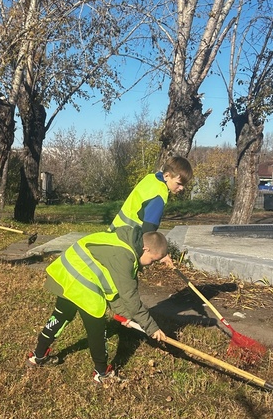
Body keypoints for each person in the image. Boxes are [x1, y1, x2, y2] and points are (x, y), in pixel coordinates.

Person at [27, 227, 169, 383]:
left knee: (61, 316)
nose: (151, 264)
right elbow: (130, 298)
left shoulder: (124, 239)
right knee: (97, 329)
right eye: (153, 260)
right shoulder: (124, 258)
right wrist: (152, 327)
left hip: (67, 274)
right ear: (145, 248)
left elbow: (111, 288)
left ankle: (38, 356)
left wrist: (125, 316)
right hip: (82, 282)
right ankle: (101, 373)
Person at [110, 156, 193, 264]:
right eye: (179, 183)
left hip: (115, 232)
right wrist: (160, 253)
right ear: (167, 176)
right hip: (129, 241)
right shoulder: (159, 195)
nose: (181, 188)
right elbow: (149, 228)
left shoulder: (150, 178)